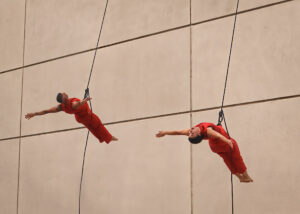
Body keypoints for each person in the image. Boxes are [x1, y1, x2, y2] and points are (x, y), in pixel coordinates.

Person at [156, 122, 253, 183]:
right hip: (222, 143)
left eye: (190, 133)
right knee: (236, 157)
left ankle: (239, 177)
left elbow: (177, 132)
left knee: (227, 159)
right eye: (192, 133)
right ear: (198, 134)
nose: (190, 131)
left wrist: (164, 133)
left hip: (215, 147)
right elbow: (217, 135)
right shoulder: (207, 131)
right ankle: (246, 176)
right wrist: (228, 141)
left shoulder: (193, 131)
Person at [25, 92, 118, 144]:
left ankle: (103, 138)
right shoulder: (72, 104)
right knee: (98, 126)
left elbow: (47, 111)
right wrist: (85, 100)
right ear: (64, 98)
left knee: (92, 128)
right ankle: (110, 138)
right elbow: (78, 104)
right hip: (86, 116)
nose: (65, 93)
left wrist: (34, 114)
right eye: (64, 95)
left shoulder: (61, 107)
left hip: (80, 118)